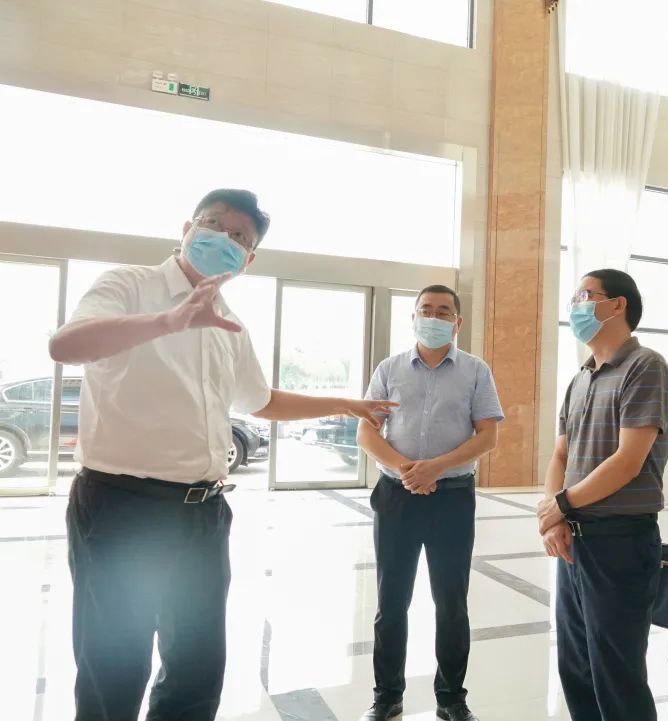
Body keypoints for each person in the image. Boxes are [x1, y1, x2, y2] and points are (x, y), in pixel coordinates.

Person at [48, 189, 397, 721]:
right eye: (214, 224)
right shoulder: (129, 285)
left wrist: (345, 404)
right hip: (121, 507)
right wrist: (167, 322)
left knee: (196, 669)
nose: (223, 239)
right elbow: (66, 346)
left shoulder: (229, 324)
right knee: (112, 668)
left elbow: (261, 401)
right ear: (187, 228)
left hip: (202, 514)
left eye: (239, 237)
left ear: (248, 259)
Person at [356, 285, 503, 721]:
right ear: (413, 316)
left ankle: (451, 698)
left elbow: (487, 435)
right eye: (426, 310)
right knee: (391, 602)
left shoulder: (475, 371)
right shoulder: (389, 369)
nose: (433, 317)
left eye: (443, 311)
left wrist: (435, 468)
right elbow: (366, 431)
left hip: (452, 499)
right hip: (395, 497)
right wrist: (407, 470)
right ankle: (387, 696)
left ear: (457, 322)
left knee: (451, 603)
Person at [536, 269, 668, 721]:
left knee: (616, 672)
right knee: (576, 665)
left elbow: (628, 460)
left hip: (620, 541)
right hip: (574, 539)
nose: (575, 304)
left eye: (585, 295)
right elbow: (560, 455)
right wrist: (556, 516)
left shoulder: (645, 366)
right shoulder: (580, 378)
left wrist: (559, 505)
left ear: (617, 305)